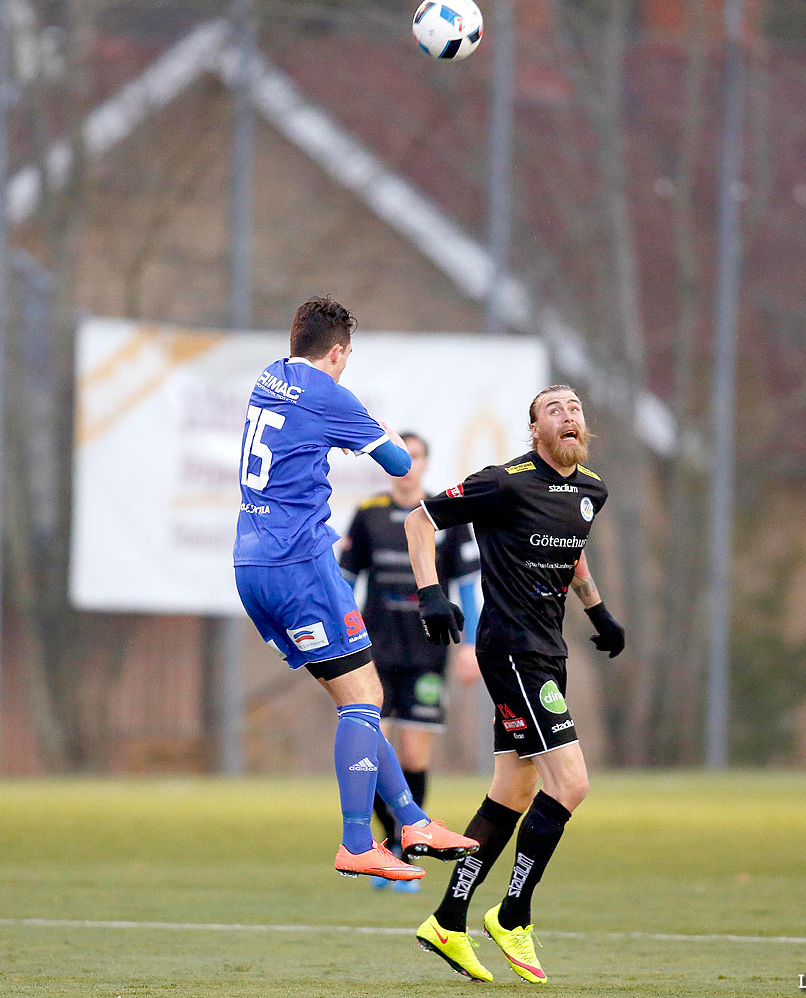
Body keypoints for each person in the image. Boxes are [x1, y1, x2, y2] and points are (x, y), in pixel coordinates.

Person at [232, 295, 478, 884]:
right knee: (366, 698)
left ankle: (412, 821)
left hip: (252, 564)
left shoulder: (270, 378)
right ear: (338, 352)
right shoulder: (328, 392)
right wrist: (373, 422)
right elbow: (397, 462)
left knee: (357, 700)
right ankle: (355, 841)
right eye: (347, 359)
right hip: (300, 563)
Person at [404, 384, 625, 984]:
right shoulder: (504, 481)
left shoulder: (590, 491)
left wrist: (597, 610)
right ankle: (513, 913)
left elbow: (572, 552)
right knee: (572, 784)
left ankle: (448, 922)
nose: (568, 416)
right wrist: (431, 594)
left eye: (575, 408)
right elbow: (419, 520)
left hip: (549, 652)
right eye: (553, 410)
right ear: (535, 431)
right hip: (513, 650)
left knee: (515, 791)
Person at [339, 431, 482, 893]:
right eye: (404, 455)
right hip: (373, 648)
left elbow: (464, 587)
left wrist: (469, 646)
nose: (409, 464)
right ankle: (388, 845)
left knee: (415, 752)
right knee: (373, 747)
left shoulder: (445, 515)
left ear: (424, 463)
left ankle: (406, 847)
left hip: (427, 648)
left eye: (417, 456)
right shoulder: (368, 514)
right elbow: (345, 579)